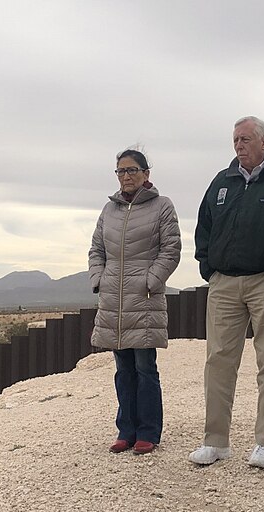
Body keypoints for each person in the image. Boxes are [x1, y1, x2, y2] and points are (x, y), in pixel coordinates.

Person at [190, 116, 264, 469]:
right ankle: (215, 441)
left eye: (245, 139)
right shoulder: (221, 182)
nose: (239, 145)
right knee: (218, 361)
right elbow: (204, 226)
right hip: (224, 282)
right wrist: (207, 267)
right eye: (235, 140)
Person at [89, 149, 182, 455]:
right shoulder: (109, 209)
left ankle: (148, 432)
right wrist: (99, 279)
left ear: (146, 174)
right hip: (114, 300)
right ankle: (125, 430)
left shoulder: (162, 206)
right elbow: (96, 249)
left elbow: (171, 249)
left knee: (145, 367)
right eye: (121, 171)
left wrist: (150, 281)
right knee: (123, 369)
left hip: (143, 298)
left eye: (132, 170)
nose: (126, 176)